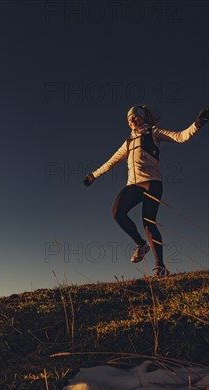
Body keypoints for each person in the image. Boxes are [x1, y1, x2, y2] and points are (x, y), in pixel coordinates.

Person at [83, 105, 209, 277]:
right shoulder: (127, 143)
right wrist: (93, 176)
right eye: (129, 118)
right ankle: (141, 245)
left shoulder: (154, 132)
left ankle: (160, 267)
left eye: (135, 116)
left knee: (148, 223)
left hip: (152, 183)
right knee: (117, 213)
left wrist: (198, 123)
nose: (132, 120)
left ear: (143, 117)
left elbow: (181, 137)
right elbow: (111, 162)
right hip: (133, 185)